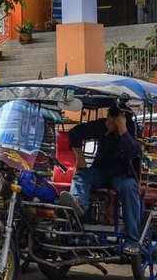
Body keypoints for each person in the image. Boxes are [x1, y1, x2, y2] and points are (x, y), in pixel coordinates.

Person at [58, 105, 143, 255]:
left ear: (119, 121)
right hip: (103, 171)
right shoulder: (101, 125)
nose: (106, 123)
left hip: (124, 174)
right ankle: (79, 205)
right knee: (81, 176)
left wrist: (122, 129)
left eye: (111, 121)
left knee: (129, 188)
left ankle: (132, 241)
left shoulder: (131, 128)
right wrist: (79, 157)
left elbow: (133, 152)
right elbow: (75, 133)